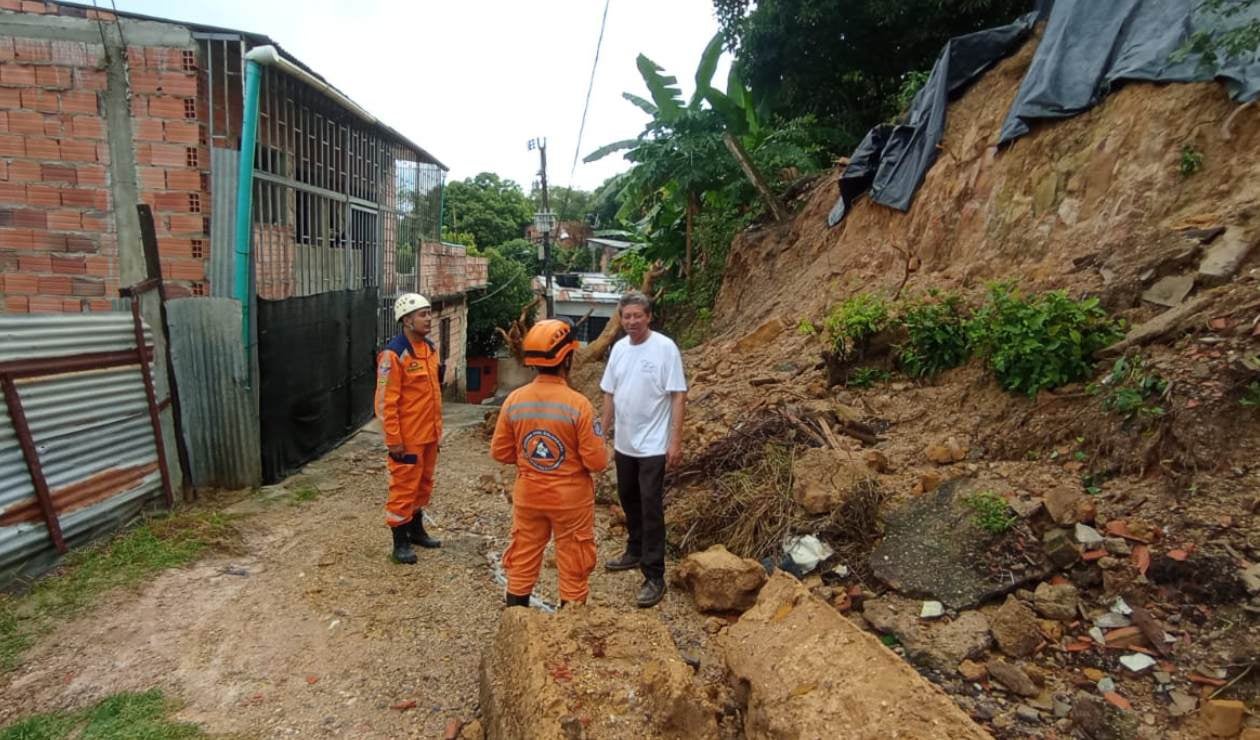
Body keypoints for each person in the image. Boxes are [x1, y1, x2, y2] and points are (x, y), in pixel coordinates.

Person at [491, 319, 609, 607]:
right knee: (574, 562)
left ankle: (516, 624)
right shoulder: (578, 404)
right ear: (567, 357)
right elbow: (596, 461)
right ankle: (566, 634)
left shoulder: (514, 401)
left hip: (529, 495)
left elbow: (500, 452)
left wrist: (530, 460)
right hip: (570, 501)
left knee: (523, 557)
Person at [599, 291, 687, 608]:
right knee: (628, 497)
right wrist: (601, 434)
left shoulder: (665, 349)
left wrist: (675, 441)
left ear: (648, 317)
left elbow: (678, 395)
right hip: (625, 443)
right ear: (620, 320)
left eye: (638, 316)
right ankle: (634, 550)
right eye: (627, 316)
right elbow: (609, 394)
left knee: (650, 506)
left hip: (653, 445)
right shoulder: (619, 350)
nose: (632, 321)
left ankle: (654, 574)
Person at [376, 292, 444, 564]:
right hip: (407, 438)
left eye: (429, 313)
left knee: (423, 485)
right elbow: (385, 403)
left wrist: (437, 433)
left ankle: (416, 532)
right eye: (422, 314)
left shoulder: (429, 349)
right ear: (406, 320)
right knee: (404, 488)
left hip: (428, 435)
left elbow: (433, 395)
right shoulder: (393, 355)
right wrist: (394, 440)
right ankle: (400, 543)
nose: (428, 319)